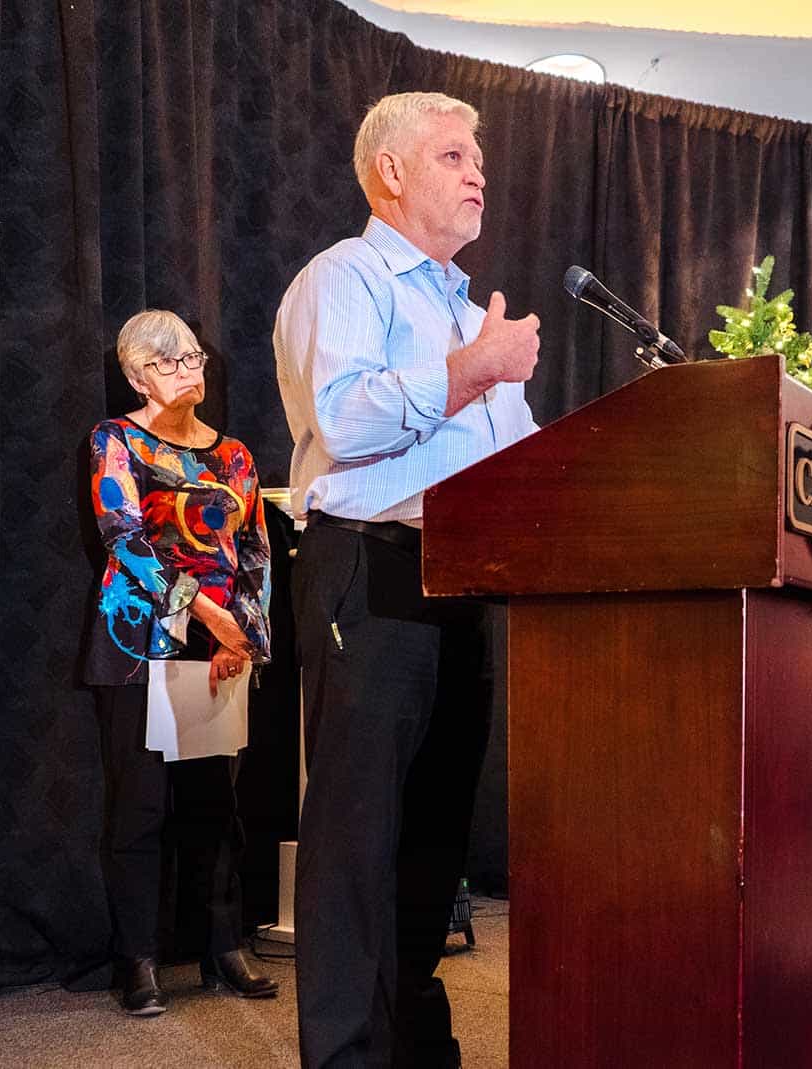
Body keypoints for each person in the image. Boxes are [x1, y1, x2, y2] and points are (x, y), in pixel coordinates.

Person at [274, 92, 541, 1068]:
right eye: (454, 155)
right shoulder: (342, 281)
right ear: (390, 171)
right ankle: (345, 1055)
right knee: (355, 842)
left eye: (480, 159)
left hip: (465, 590)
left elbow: (525, 467)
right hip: (368, 577)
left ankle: (410, 1038)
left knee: (433, 841)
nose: (479, 174)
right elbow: (343, 426)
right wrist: (474, 371)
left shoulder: (475, 314)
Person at [84, 309, 278, 1015]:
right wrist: (210, 616)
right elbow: (124, 538)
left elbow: (255, 552)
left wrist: (245, 636)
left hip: (221, 651)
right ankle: (137, 959)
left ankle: (223, 945)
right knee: (138, 808)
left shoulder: (234, 456)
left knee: (215, 806)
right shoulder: (116, 439)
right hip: (141, 644)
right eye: (168, 360)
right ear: (137, 375)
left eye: (192, 354)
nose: (189, 367)